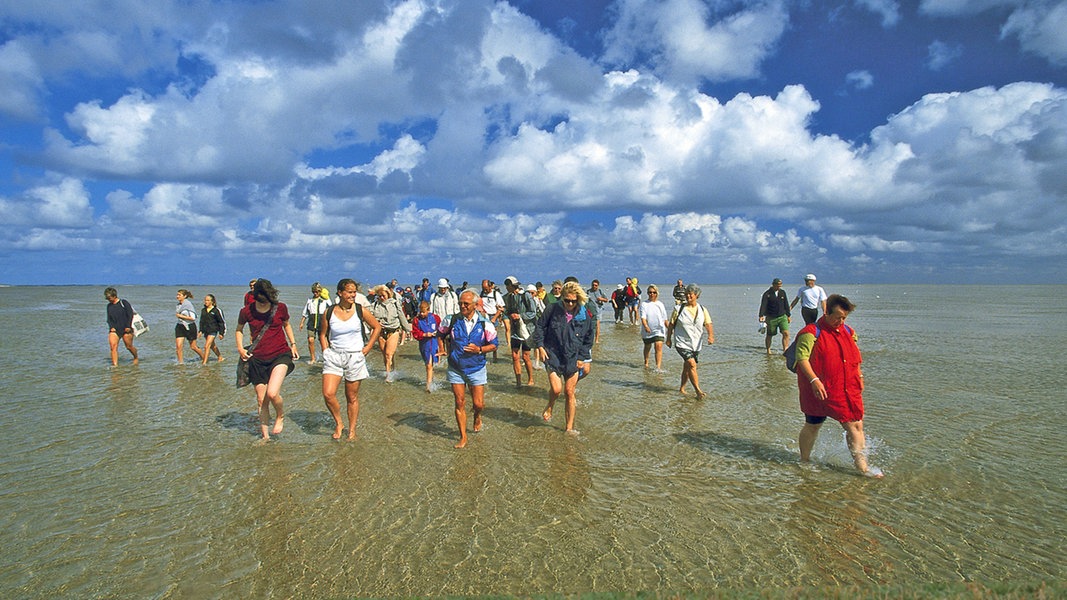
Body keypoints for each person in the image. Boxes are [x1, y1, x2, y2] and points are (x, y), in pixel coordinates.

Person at [793, 294, 883, 478]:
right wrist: (814, 380)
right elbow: (801, 358)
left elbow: (854, 357)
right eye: (838, 317)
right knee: (813, 425)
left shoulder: (849, 331)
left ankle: (863, 468)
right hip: (818, 390)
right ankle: (804, 460)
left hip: (846, 388)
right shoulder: (810, 333)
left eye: (844, 317)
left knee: (855, 425)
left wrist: (860, 375)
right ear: (826, 311)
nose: (841, 321)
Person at [236, 279, 300, 441]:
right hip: (257, 358)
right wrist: (240, 348)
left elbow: (287, 325)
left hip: (280, 354)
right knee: (261, 399)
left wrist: (293, 344)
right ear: (255, 295)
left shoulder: (280, 308)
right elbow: (239, 330)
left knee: (272, 393)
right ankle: (265, 437)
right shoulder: (246, 311)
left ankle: (280, 415)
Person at [319, 278, 381, 440]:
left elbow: (377, 327)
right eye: (350, 292)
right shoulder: (330, 311)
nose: (353, 295)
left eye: (354, 292)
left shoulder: (360, 310)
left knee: (351, 397)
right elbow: (322, 334)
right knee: (328, 393)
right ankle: (339, 423)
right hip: (334, 356)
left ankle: (352, 430)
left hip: (355, 356)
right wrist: (325, 351)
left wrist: (367, 348)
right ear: (340, 293)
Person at [531, 281, 595, 435]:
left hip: (573, 356)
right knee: (557, 388)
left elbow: (588, 337)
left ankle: (569, 428)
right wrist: (539, 345)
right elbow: (540, 326)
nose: (570, 304)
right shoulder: (552, 309)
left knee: (569, 391)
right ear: (562, 298)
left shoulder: (583, 314)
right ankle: (550, 404)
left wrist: (582, 357)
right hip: (552, 352)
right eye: (567, 300)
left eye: (574, 301)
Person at [440, 289, 498, 448]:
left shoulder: (485, 323)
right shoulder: (450, 320)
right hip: (455, 368)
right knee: (459, 402)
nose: (462, 306)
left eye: (466, 303)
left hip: (476, 368)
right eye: (460, 303)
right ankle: (463, 437)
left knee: (478, 404)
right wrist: (442, 348)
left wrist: (479, 350)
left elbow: (494, 345)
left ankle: (477, 416)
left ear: (475, 305)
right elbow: (440, 334)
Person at [665, 284, 715, 399]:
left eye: (690, 294)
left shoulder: (702, 309)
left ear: (696, 295)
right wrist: (668, 339)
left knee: (687, 366)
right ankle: (698, 391)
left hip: (696, 344)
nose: (688, 296)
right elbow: (671, 325)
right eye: (686, 294)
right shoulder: (679, 309)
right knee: (692, 364)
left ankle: (682, 388)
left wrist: (710, 336)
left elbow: (708, 324)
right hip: (681, 342)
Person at [369, 284, 411, 382]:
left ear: (388, 294)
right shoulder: (375, 305)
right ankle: (392, 370)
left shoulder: (395, 304)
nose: (382, 298)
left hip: (393, 330)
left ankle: (388, 376)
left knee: (388, 354)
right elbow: (369, 317)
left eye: (383, 295)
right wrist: (375, 323)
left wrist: (408, 330)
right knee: (385, 355)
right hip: (381, 332)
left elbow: (401, 316)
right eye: (379, 296)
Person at [504, 276, 538, 386]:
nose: (506, 288)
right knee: (514, 356)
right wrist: (505, 312)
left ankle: (530, 379)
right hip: (515, 330)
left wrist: (520, 316)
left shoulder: (526, 295)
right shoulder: (509, 297)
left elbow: (533, 312)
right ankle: (518, 381)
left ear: (512, 285)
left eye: (507, 286)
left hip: (526, 330)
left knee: (526, 356)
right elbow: (508, 311)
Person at [411, 301, 441, 393]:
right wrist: (424, 334)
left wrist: (438, 333)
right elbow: (415, 333)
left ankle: (430, 382)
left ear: (428, 310)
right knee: (428, 364)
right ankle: (429, 384)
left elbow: (441, 329)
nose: (421, 314)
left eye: (423, 312)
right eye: (420, 312)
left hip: (435, 343)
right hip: (424, 344)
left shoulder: (436, 318)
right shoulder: (416, 320)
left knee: (433, 364)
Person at [298, 283, 332, 364]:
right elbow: (305, 311)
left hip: (322, 321)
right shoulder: (310, 300)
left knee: (323, 340)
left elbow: (332, 309)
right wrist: (302, 322)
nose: (315, 294)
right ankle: (313, 358)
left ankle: (327, 358)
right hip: (312, 321)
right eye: (314, 292)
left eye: (317, 292)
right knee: (310, 340)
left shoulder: (325, 300)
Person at [104, 287, 139, 366]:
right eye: (107, 298)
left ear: (114, 296)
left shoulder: (124, 302)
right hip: (115, 330)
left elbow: (130, 315)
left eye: (109, 298)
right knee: (113, 347)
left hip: (126, 328)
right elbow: (109, 319)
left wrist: (128, 326)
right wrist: (111, 327)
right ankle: (115, 366)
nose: (108, 299)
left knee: (129, 346)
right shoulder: (109, 306)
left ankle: (135, 357)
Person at [759, 278, 792, 355]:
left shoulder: (782, 293)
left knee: (786, 333)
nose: (779, 287)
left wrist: (788, 315)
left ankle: (785, 350)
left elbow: (786, 304)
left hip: (782, 316)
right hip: (771, 317)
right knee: (770, 334)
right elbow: (763, 305)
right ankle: (768, 350)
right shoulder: (767, 294)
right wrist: (761, 315)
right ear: (773, 284)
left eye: (780, 285)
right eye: (777, 285)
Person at [639, 285, 668, 370]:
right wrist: (646, 326)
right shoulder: (644, 304)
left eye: (654, 292)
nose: (652, 294)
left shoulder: (660, 304)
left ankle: (658, 367)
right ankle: (646, 362)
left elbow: (665, 319)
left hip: (659, 330)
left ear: (657, 293)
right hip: (647, 330)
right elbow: (643, 317)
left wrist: (670, 329)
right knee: (647, 346)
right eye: (650, 292)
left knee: (658, 346)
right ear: (648, 293)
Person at [174, 289, 207, 363]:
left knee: (193, 347)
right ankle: (180, 364)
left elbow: (193, 318)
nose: (177, 296)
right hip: (180, 326)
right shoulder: (178, 305)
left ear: (185, 296)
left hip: (189, 326)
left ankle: (204, 357)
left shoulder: (188, 305)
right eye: (177, 295)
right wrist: (179, 317)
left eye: (179, 295)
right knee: (178, 347)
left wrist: (181, 316)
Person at [478, 279, 505, 361]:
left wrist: (494, 318)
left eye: (486, 288)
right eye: (483, 288)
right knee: (482, 337)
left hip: (493, 316)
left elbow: (501, 308)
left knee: (493, 337)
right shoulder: (482, 294)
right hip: (484, 316)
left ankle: (494, 356)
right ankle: (483, 355)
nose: (485, 290)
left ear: (490, 286)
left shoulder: (495, 294)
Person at [199, 293, 226, 364]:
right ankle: (220, 357)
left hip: (213, 330)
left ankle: (204, 363)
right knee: (212, 346)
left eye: (208, 300)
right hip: (206, 331)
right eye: (205, 300)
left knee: (206, 346)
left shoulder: (216, 310)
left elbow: (221, 322)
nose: (206, 302)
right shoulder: (203, 310)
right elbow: (201, 321)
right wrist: (200, 331)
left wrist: (221, 333)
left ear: (212, 301)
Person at [586, 279, 609, 343]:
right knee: (589, 325)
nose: (594, 286)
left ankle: (597, 339)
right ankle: (589, 338)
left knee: (597, 324)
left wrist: (601, 299)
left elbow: (607, 300)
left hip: (598, 310)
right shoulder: (588, 291)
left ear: (598, 286)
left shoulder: (600, 292)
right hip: (590, 311)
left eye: (595, 285)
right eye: (593, 285)